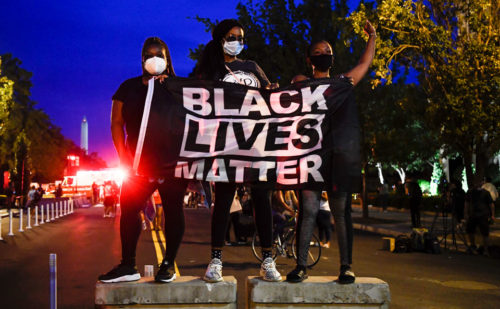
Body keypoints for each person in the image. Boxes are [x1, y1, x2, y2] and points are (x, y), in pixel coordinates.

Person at [286, 20, 376, 284]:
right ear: (309, 59)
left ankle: (346, 267)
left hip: (339, 156)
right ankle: (301, 265)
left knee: (340, 211)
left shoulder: (342, 83)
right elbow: (281, 100)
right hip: (311, 154)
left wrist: (372, 36)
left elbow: (364, 64)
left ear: (332, 59)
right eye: (318, 52)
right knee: (309, 209)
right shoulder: (302, 83)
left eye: (327, 51)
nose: (324, 54)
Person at [195, 19, 281, 283]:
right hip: (225, 145)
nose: (237, 41)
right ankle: (216, 260)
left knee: (262, 200)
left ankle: (268, 260)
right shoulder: (209, 69)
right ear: (221, 38)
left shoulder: (252, 67)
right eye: (232, 36)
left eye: (241, 37)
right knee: (223, 202)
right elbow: (192, 96)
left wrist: (273, 92)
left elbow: (268, 95)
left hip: (256, 143)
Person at [98, 37, 188, 284]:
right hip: (138, 164)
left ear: (168, 59)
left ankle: (168, 264)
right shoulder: (128, 87)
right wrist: (123, 155)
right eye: (149, 55)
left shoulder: (179, 88)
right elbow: (116, 123)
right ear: (142, 59)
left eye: (159, 55)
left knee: (172, 209)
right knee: (128, 210)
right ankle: (128, 265)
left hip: (171, 162)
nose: (154, 59)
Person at [465, 181, 495, 256]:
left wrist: (465, 213)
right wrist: (492, 215)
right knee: (482, 232)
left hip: (478, 215)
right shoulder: (484, 192)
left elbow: (467, 204)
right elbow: (491, 205)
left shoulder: (472, 192)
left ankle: (476, 247)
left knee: (474, 231)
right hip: (480, 215)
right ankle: (483, 249)